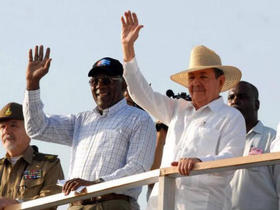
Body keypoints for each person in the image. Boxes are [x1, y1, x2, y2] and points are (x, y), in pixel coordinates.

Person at [120, 11, 246, 210]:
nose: (196, 83)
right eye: (192, 78)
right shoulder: (177, 109)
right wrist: (128, 49)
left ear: (220, 82)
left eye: (203, 76)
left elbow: (231, 159)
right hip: (160, 204)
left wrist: (199, 162)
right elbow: (140, 93)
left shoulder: (231, 117)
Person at [23, 46, 156, 210]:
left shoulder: (139, 119)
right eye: (94, 81)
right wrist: (32, 84)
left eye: (106, 80)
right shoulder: (80, 121)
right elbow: (36, 128)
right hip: (76, 205)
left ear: (123, 85)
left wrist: (96, 185)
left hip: (112, 204)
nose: (99, 85)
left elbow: (138, 167)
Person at [0, 102, 64, 210]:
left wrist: (16, 203)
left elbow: (51, 201)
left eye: (13, 125)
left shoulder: (49, 164)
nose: (6, 130)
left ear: (28, 129)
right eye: (2, 127)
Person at [228, 81, 278, 210]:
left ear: (257, 104)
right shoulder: (223, 141)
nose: (235, 100)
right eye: (231, 97)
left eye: (242, 96)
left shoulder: (272, 139)